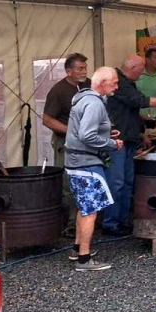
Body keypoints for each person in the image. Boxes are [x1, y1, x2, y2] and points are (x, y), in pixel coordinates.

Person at [103, 55, 156, 236]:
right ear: (132, 68)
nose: (141, 74)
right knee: (116, 182)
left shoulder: (128, 83)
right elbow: (139, 101)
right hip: (117, 141)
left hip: (129, 138)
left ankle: (123, 219)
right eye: (140, 70)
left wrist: (142, 126)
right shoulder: (119, 83)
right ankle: (110, 222)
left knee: (127, 182)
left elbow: (128, 108)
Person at [64, 66, 123, 271]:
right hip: (86, 163)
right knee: (91, 210)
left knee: (84, 207)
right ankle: (84, 259)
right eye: (114, 82)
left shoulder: (83, 99)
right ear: (103, 83)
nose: (117, 86)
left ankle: (77, 249)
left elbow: (83, 130)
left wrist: (106, 134)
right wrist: (111, 144)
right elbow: (87, 135)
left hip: (75, 161)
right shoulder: (94, 103)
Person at [42, 52, 90, 235]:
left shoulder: (88, 85)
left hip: (87, 142)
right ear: (69, 71)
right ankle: (71, 225)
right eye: (80, 68)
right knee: (69, 183)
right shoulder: (58, 91)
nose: (84, 71)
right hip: (66, 142)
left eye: (85, 68)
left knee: (87, 179)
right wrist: (70, 131)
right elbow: (47, 120)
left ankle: (88, 220)